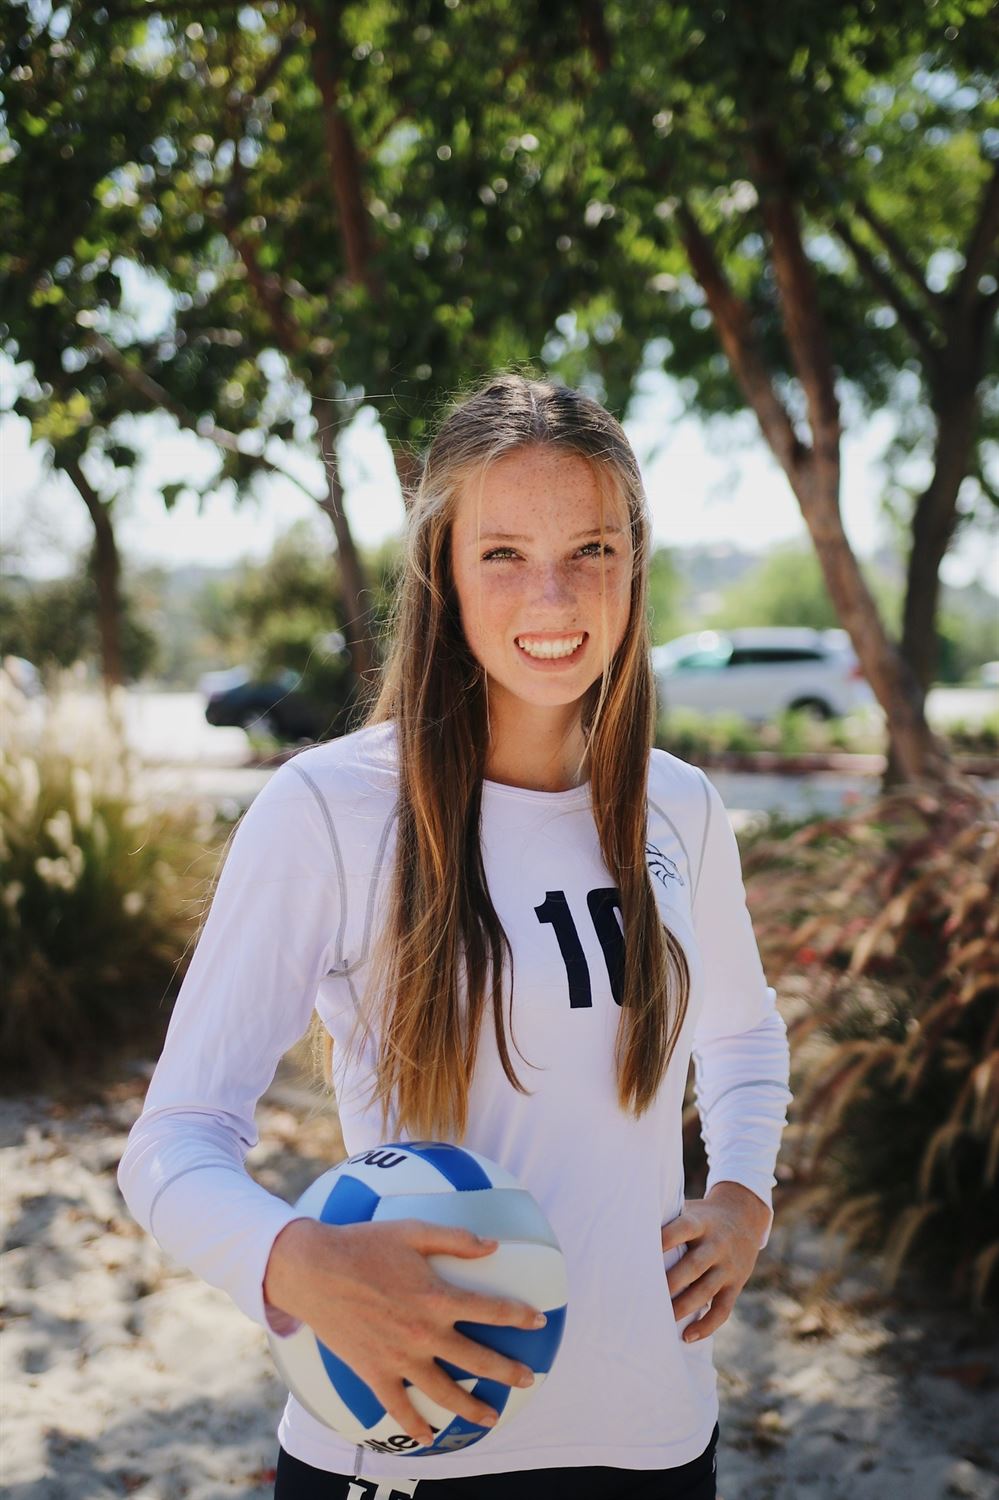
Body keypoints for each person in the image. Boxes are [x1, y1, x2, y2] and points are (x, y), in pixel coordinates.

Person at [117, 372, 793, 1499]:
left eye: (591, 549)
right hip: (407, 1441)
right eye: (503, 554)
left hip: (654, 1433)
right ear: (443, 570)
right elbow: (172, 1141)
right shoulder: (332, 809)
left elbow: (743, 1032)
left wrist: (742, 1198)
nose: (553, 596)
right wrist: (296, 1262)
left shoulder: (680, 805)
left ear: (634, 563)